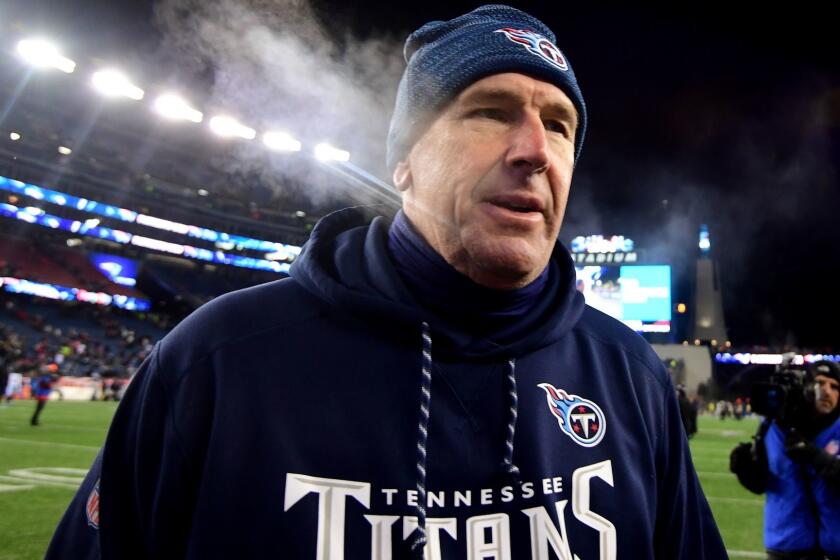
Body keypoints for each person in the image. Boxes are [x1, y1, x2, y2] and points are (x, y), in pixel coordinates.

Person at [48, 5, 725, 558]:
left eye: (559, 125)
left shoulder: (627, 371)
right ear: (403, 163)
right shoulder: (216, 362)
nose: (534, 151)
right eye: (489, 112)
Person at [730, 361, 840, 559]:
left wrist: (814, 455)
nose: (826, 391)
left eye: (834, 386)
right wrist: (744, 468)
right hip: (783, 544)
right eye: (820, 383)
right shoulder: (772, 424)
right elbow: (762, 483)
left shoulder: (832, 429)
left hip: (828, 547)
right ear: (806, 387)